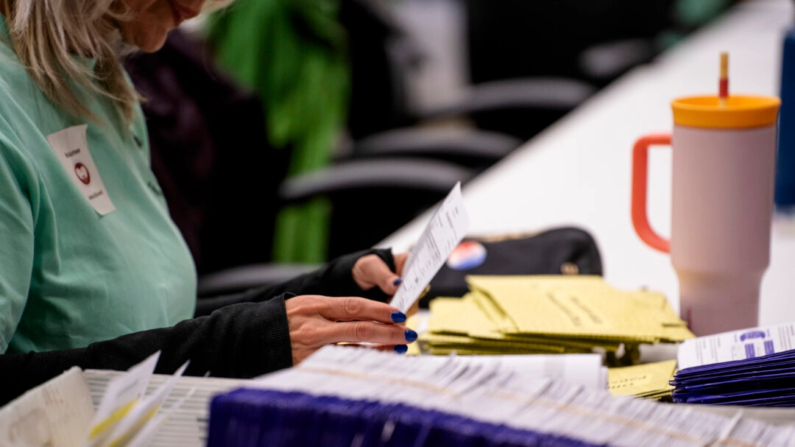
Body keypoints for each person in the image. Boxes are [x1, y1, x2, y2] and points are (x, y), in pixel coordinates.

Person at [0, 0, 416, 406]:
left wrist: (330, 292)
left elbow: (137, 323)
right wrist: (243, 343)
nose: (200, 7)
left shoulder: (99, 80)